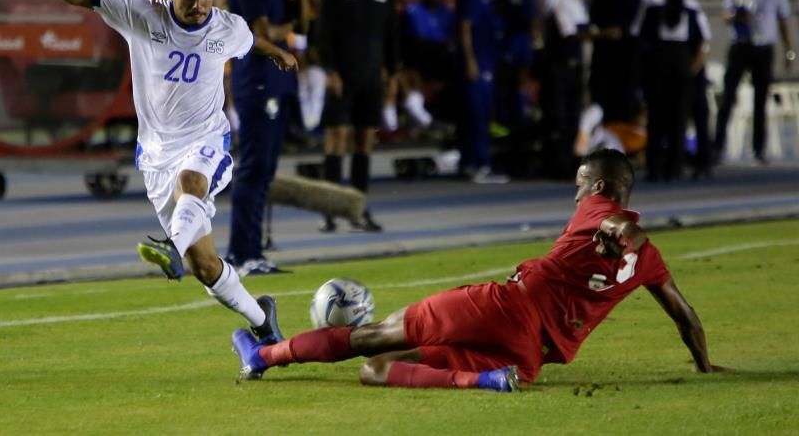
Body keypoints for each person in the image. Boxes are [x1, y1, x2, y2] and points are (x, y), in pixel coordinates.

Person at [231, 148, 726, 391]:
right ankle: (485, 380)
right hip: (532, 354)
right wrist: (705, 366)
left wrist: (622, 233)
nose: (576, 194)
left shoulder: (601, 210)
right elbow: (686, 317)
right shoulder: (651, 261)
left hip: (505, 310)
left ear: (601, 184)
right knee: (376, 372)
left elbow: (620, 224)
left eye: (581, 183)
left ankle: (265, 356)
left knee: (372, 338)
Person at [48, 0, 297, 343]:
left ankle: (169, 248)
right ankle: (262, 320)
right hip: (155, 156)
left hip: (206, 140)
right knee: (205, 266)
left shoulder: (226, 27)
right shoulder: (141, 14)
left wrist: (278, 53)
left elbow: (251, 41)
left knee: (191, 182)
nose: (198, 5)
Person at [225, 0, 307, 276]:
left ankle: (252, 251)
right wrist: (286, 29)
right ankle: (242, 254)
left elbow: (302, 23)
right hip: (257, 81)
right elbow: (264, 33)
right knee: (254, 169)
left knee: (265, 170)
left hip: (278, 81)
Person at [316, 0, 399, 232]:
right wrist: (330, 70)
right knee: (336, 137)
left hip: (371, 77)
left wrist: (392, 72)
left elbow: (392, 34)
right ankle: (330, 209)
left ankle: (359, 210)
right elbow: (323, 33)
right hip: (342, 75)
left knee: (365, 139)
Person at [713, 0, 795, 164]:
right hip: (740, 46)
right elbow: (725, 14)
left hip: (763, 49)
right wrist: (738, 16)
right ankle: (717, 147)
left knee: (761, 101)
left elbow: (784, 23)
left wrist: (790, 51)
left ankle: (759, 149)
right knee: (728, 96)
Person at [638, 0, 711, 181]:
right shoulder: (691, 6)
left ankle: (655, 166)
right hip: (682, 65)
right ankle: (674, 166)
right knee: (678, 119)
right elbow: (703, 41)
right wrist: (693, 69)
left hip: (659, 66)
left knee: (656, 118)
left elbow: (643, 40)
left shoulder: (654, 5)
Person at [589, 0, 654, 123]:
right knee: (602, 89)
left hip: (630, 42)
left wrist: (631, 30)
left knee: (628, 89)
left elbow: (649, 4)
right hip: (604, 43)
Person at [456, 0, 509, 184]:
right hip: (478, 61)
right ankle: (480, 165)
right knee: (478, 113)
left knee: (479, 112)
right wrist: (470, 59)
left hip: (487, 58)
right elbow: (465, 27)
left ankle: (469, 162)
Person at [541, 0, 593, 178]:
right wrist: (598, 35)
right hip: (562, 67)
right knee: (560, 117)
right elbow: (569, 33)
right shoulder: (563, 2)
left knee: (573, 116)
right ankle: (558, 165)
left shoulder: (579, 3)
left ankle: (571, 162)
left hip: (576, 66)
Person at [492, 0, 540, 132]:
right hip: (506, 26)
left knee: (523, 73)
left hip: (525, 28)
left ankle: (519, 120)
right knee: (505, 74)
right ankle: (501, 121)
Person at [401, 0, 456, 126]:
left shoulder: (446, 11)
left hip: (444, 56)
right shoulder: (412, 11)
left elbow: (451, 36)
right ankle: (419, 115)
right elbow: (415, 39)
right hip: (422, 57)